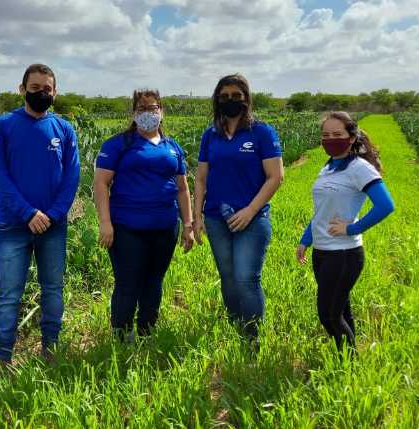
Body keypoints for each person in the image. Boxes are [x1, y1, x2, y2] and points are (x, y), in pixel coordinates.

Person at [0, 63, 79, 365]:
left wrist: (51, 215)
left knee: (52, 289)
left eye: (47, 89)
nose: (41, 93)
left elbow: (72, 178)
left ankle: (50, 353)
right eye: (35, 88)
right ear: (22, 89)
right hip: (13, 225)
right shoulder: (3, 125)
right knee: (9, 295)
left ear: (55, 92)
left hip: (53, 226)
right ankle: (3, 361)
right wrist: (28, 213)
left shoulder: (64, 130)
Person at [93, 89, 194, 341]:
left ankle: (147, 333)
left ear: (162, 111)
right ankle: (121, 336)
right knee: (128, 283)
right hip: (127, 227)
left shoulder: (173, 148)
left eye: (153, 108)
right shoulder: (119, 144)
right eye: (142, 108)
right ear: (134, 113)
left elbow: (182, 188)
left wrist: (188, 225)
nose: (148, 113)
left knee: (154, 282)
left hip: (165, 227)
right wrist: (105, 222)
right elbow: (101, 184)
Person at [193, 74, 284, 341]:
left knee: (246, 278)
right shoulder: (210, 135)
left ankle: (253, 338)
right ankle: (236, 329)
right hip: (216, 218)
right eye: (224, 97)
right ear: (217, 100)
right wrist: (196, 217)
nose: (230, 101)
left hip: (252, 219)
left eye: (236, 96)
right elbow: (200, 178)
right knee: (229, 279)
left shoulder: (262, 132)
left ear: (246, 98)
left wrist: (250, 210)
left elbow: (276, 176)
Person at [296, 111, 395, 353]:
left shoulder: (359, 168)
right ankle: (348, 361)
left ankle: (348, 364)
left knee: (328, 315)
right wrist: (306, 240)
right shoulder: (328, 167)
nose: (330, 139)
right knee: (340, 309)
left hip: (344, 254)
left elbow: (386, 206)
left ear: (351, 137)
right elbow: (322, 210)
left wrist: (351, 228)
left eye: (337, 134)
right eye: (326, 135)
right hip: (322, 251)